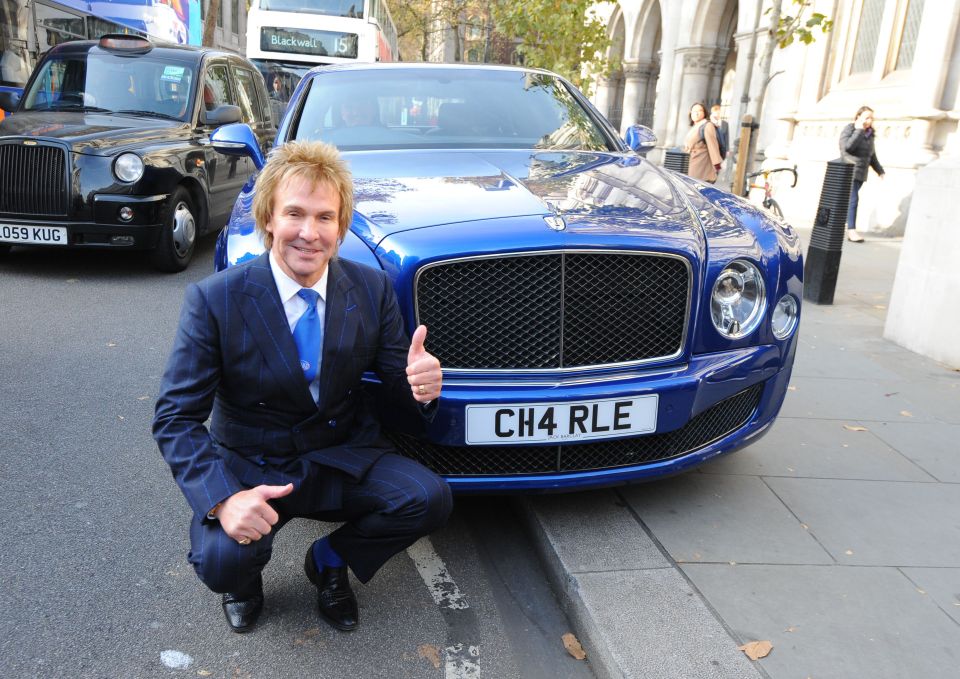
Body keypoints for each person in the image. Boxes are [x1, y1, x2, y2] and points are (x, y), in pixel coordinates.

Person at [153, 141, 452, 635]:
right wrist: (225, 499)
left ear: (341, 227)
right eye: (295, 213)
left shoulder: (370, 289)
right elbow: (174, 417)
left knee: (429, 498)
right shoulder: (216, 300)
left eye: (325, 218)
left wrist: (420, 388)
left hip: (340, 455)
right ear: (269, 216)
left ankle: (330, 560)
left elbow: (399, 397)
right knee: (220, 559)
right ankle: (244, 584)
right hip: (255, 465)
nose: (309, 234)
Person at [839, 106, 885, 242]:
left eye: (871, 118)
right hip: (848, 170)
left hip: (860, 173)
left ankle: (833, 225)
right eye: (867, 117)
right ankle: (851, 231)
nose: (869, 120)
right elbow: (847, 147)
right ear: (858, 117)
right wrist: (859, 130)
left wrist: (880, 170)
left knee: (844, 202)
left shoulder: (870, 134)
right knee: (853, 201)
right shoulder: (850, 129)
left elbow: (871, 155)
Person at [683, 102, 722, 183]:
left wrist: (717, 165)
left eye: (700, 111)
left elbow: (713, 146)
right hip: (689, 163)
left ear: (704, 113)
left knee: (696, 190)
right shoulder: (695, 126)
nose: (696, 113)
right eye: (694, 111)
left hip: (701, 165)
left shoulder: (707, 125)